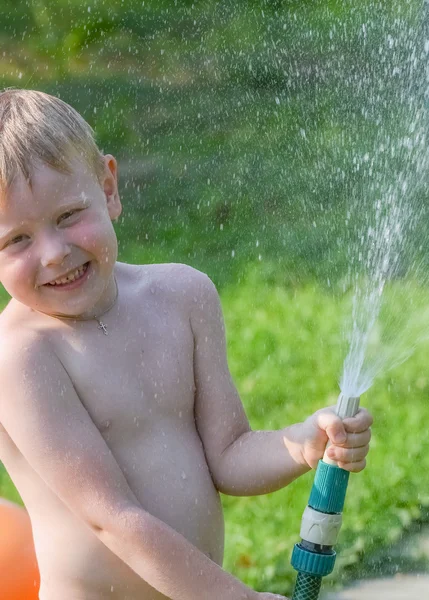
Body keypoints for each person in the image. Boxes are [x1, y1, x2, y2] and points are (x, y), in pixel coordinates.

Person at [0, 89, 372, 600]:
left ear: (109, 186)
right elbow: (112, 519)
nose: (54, 253)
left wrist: (303, 443)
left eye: (68, 216)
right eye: (16, 240)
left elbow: (229, 453)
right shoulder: (22, 358)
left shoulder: (183, 297)